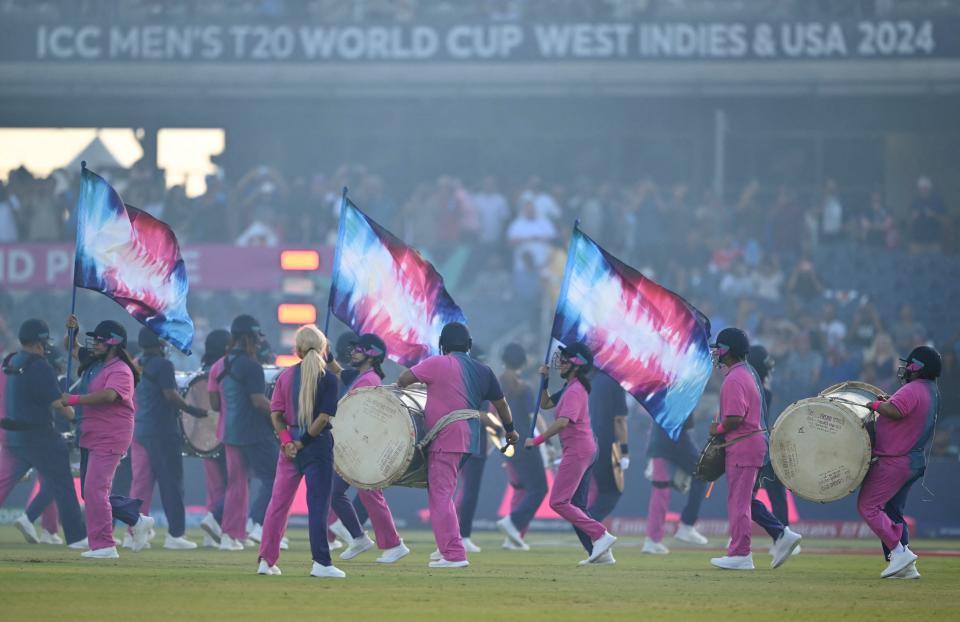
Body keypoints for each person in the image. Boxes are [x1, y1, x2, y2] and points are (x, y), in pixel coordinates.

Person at [397, 322, 518, 568]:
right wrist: (510, 430)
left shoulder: (436, 363)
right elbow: (502, 405)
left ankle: (454, 554)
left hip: (444, 438)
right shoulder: (483, 370)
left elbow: (402, 380)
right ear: (469, 345)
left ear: (442, 345)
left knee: (440, 496)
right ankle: (449, 549)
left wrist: (426, 385)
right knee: (445, 494)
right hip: (469, 439)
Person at [708, 328, 801, 571]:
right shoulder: (745, 373)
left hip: (742, 446)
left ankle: (741, 553)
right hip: (751, 445)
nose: (716, 352)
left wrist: (716, 429)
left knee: (738, 503)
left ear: (728, 351)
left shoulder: (735, 378)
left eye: (719, 348)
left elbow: (734, 419)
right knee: (745, 500)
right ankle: (781, 533)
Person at [256, 325, 346, 578]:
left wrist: (287, 442)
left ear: (296, 350)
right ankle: (321, 563)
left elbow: (276, 414)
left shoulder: (285, 377)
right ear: (323, 349)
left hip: (289, 448)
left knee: (278, 505)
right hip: (315, 446)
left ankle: (266, 560)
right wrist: (302, 442)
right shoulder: (328, 379)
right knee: (317, 506)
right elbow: (323, 418)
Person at [63, 316, 153, 559]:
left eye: (100, 340)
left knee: (95, 489)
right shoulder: (95, 363)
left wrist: (73, 400)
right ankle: (135, 518)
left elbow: (109, 396)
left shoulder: (121, 370)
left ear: (113, 343)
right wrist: (74, 331)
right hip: (89, 433)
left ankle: (104, 545)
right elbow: (71, 347)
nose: (94, 345)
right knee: (90, 492)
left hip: (111, 435)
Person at [526, 342, 617, 566]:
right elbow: (546, 403)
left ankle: (600, 534)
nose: (561, 362)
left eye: (566, 358)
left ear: (576, 363)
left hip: (578, 451)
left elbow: (562, 422)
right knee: (578, 504)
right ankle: (601, 554)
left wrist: (537, 440)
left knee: (558, 502)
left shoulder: (576, 390)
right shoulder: (571, 386)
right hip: (583, 449)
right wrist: (545, 380)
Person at [0, 319, 87, 549]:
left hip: (12, 438)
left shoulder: (9, 362)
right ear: (40, 341)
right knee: (64, 484)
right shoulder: (40, 366)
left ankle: (48, 527)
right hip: (39, 437)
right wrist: (76, 419)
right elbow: (57, 402)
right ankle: (77, 538)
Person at [859, 345, 941, 579]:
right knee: (893, 511)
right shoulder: (931, 389)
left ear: (918, 368)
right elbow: (903, 410)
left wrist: (874, 405)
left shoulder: (913, 388)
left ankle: (899, 552)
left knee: (868, 506)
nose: (906, 368)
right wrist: (889, 402)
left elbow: (895, 412)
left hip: (896, 461)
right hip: (913, 461)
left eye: (910, 364)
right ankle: (907, 567)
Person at [327, 333, 409, 563]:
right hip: (357, 446)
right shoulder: (361, 376)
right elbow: (339, 372)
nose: (352, 352)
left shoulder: (368, 381)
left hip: (362, 447)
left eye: (359, 349)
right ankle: (359, 538)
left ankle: (393, 544)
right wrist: (328, 357)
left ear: (371, 355)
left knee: (369, 495)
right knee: (337, 491)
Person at [129, 327, 209, 550]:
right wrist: (194, 411)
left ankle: (133, 533)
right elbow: (171, 396)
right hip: (163, 431)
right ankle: (175, 535)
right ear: (158, 345)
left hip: (141, 429)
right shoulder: (163, 365)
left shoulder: (137, 363)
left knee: (141, 483)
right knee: (171, 485)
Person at [209, 315, 277, 551]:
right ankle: (253, 524)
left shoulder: (220, 365)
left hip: (229, 432)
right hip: (254, 432)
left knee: (236, 484)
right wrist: (282, 416)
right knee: (274, 479)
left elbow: (215, 404)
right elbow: (259, 401)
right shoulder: (252, 365)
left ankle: (231, 534)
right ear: (250, 336)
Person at [496, 343, 547, 551]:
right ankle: (514, 523)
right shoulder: (524, 388)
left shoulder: (497, 385)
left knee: (522, 489)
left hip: (507, 443)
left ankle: (513, 537)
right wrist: (548, 441)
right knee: (539, 489)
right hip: (525, 443)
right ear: (524, 362)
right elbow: (535, 417)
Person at [643, 415, 711, 554]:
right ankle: (686, 525)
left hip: (658, 439)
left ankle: (652, 540)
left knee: (661, 490)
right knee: (704, 472)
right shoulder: (681, 392)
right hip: (674, 436)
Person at [199, 329, 230, 547]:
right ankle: (222, 528)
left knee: (215, 487)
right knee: (233, 484)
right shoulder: (224, 370)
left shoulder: (202, 371)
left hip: (203, 435)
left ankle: (211, 534)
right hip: (224, 430)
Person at [586, 371, 629, 522]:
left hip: (588, 441)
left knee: (595, 489)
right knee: (612, 491)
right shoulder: (615, 383)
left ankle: (591, 532)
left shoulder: (591, 380)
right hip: (606, 443)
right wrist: (624, 451)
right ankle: (588, 524)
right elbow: (620, 420)